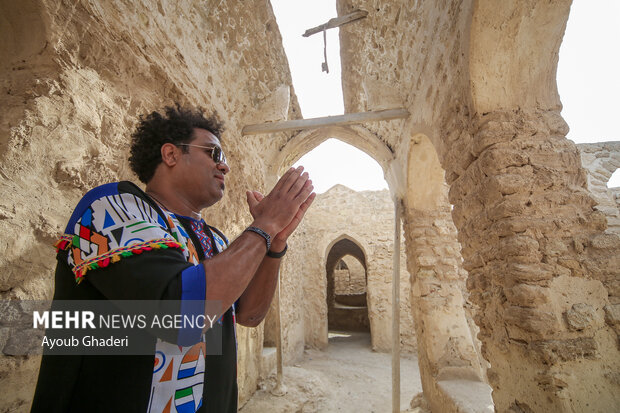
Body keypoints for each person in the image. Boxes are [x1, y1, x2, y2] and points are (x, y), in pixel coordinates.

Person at [30, 105, 315, 413]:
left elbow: (249, 315)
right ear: (171, 155)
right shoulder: (109, 209)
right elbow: (180, 317)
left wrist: (275, 243)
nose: (225, 167)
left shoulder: (215, 240)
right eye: (214, 154)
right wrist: (264, 226)